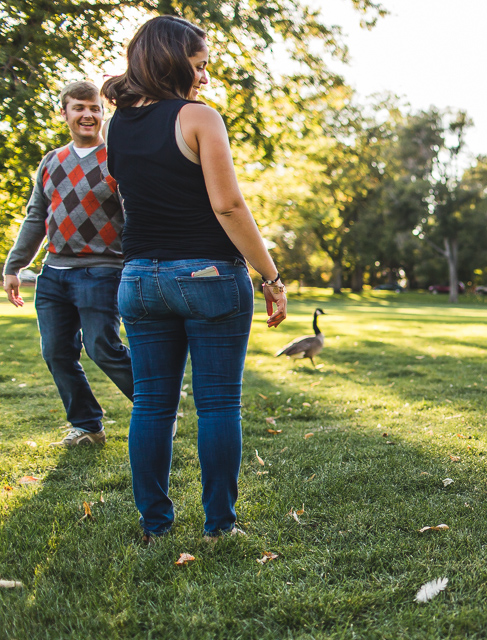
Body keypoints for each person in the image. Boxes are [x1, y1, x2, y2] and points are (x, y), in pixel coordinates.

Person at [101, 15, 287, 542]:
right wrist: (270, 275)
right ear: (170, 60)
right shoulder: (199, 118)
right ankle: (219, 526)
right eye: (200, 66)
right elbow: (227, 206)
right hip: (207, 275)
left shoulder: (118, 123)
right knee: (219, 402)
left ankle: (155, 525)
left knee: (152, 402)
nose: (205, 78)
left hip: (138, 279)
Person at [2, 81, 133, 446]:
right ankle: (88, 426)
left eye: (94, 108)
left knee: (102, 346)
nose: (87, 114)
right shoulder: (51, 161)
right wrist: (14, 266)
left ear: (102, 113)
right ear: (65, 113)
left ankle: (156, 405)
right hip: (54, 274)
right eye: (79, 107)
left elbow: (133, 215)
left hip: (103, 270)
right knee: (56, 352)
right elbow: (35, 217)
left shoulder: (116, 159)